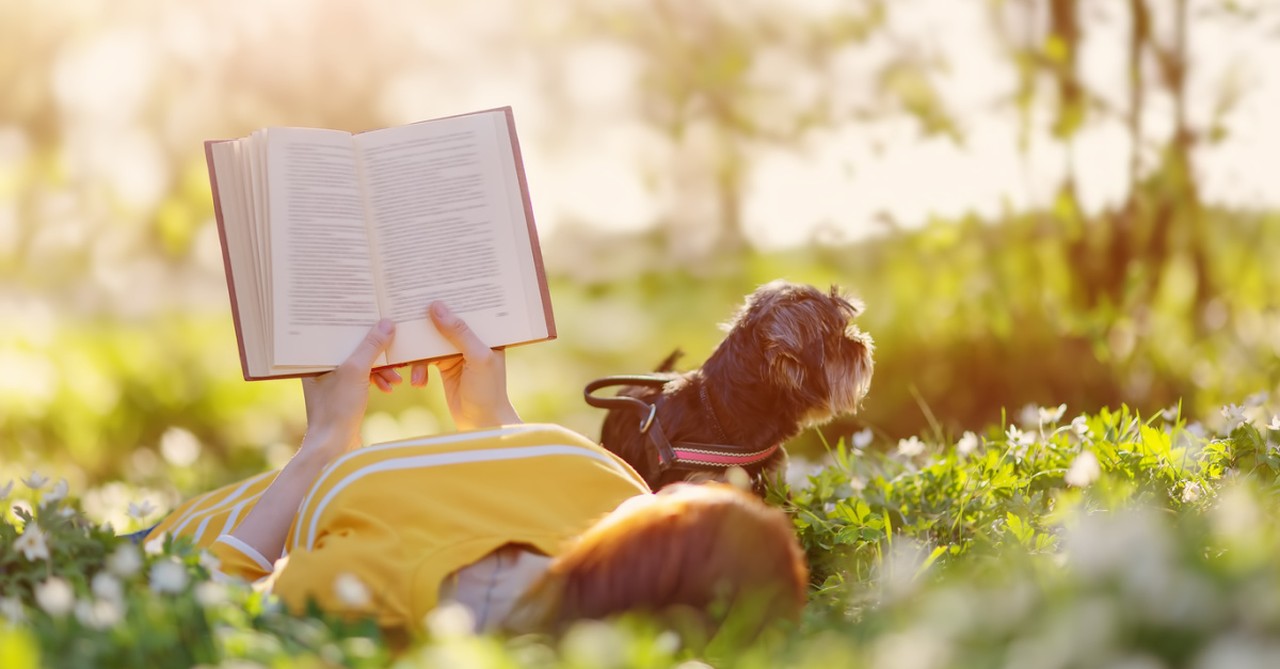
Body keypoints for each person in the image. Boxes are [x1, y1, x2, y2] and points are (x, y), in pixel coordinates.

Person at [145, 302, 808, 637]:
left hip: (174, 536)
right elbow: (545, 495)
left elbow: (201, 611)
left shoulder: (378, 586)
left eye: (669, 516)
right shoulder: (615, 489)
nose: (658, 496)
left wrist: (322, 442)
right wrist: (489, 416)